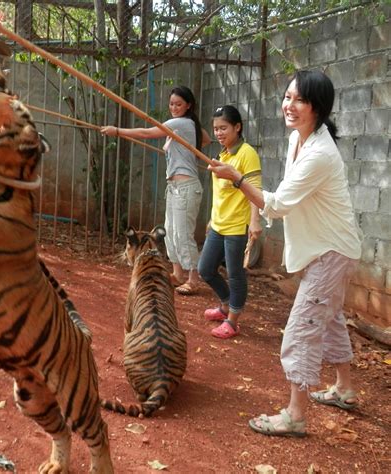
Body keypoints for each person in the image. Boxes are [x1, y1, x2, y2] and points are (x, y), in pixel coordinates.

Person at [208, 70, 362, 437]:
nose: (289, 105)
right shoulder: (300, 138)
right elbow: (284, 198)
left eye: (299, 100)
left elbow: (276, 205)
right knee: (329, 320)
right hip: (326, 250)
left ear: (318, 108)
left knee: (301, 330)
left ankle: (294, 415)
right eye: (287, 97)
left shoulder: (320, 154)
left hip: (331, 253)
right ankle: (344, 388)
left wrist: (237, 178)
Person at [101, 86, 210, 295]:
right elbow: (204, 138)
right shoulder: (185, 126)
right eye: (171, 104)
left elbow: (146, 132)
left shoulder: (181, 123)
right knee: (170, 233)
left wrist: (117, 131)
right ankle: (178, 274)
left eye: (179, 104)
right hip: (175, 187)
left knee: (183, 234)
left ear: (188, 106)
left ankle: (193, 279)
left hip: (186, 187)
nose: (174, 108)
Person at [198, 105, 262, 339]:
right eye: (215, 129)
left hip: (236, 226)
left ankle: (233, 321)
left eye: (223, 128)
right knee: (205, 269)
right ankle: (226, 303)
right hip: (218, 224)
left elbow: (255, 189)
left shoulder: (247, 153)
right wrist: (210, 219)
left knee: (235, 274)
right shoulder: (223, 155)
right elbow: (221, 194)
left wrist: (255, 222)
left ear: (238, 127)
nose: (219, 133)